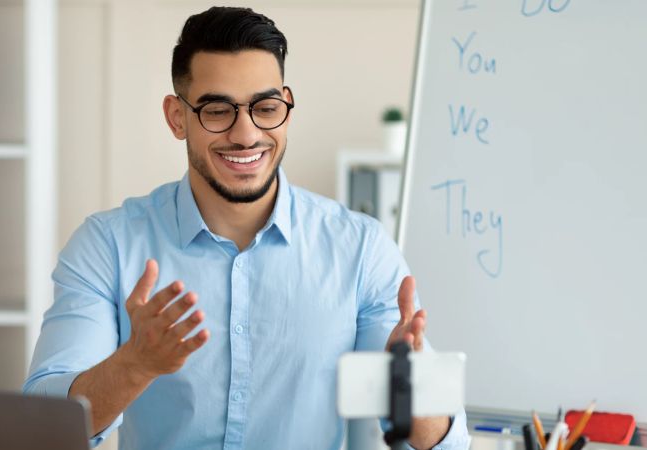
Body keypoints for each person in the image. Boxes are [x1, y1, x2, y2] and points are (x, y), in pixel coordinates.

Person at [24, 6, 470, 450]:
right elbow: (43, 428)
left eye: (265, 107)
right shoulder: (108, 245)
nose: (246, 134)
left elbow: (449, 444)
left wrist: (410, 390)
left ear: (286, 109)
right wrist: (136, 364)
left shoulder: (361, 250)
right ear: (177, 117)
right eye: (218, 110)